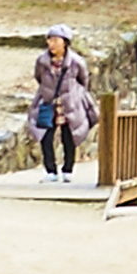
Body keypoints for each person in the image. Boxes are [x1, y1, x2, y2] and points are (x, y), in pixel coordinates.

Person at [27, 24, 97, 183]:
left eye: (55, 40)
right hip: (48, 102)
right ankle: (50, 170)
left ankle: (68, 169)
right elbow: (38, 77)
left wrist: (73, 94)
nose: (51, 44)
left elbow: (83, 80)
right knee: (45, 136)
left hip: (70, 103)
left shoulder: (76, 61)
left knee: (69, 137)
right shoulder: (42, 61)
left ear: (65, 42)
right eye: (50, 40)